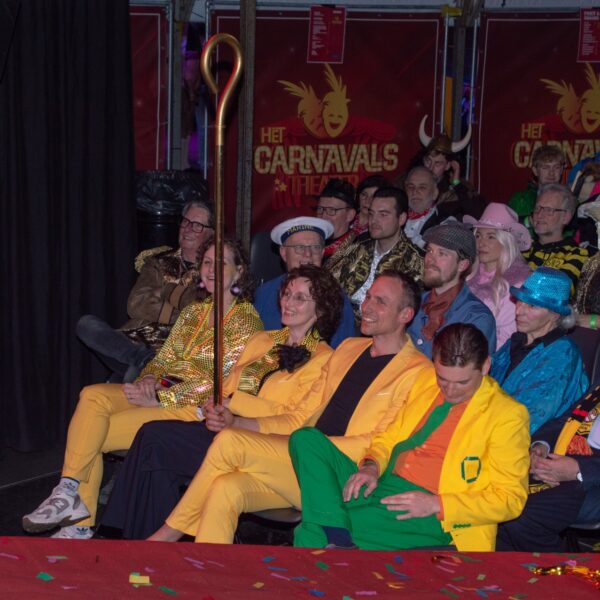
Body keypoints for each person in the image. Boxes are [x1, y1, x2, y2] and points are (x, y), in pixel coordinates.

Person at [145, 271, 431, 544]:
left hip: (341, 471)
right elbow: (301, 416)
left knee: (229, 442)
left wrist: (314, 449)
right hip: (300, 458)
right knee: (226, 487)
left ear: (405, 315)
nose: (367, 306)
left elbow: (386, 439)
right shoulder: (349, 348)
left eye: (380, 301)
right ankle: (206, 569)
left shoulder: (418, 371)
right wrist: (242, 423)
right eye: (368, 297)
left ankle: (165, 537)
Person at [21, 238, 263, 539]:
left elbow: (218, 385)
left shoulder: (246, 321)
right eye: (206, 262)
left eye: (221, 263)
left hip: (191, 410)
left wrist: (163, 398)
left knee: (90, 435)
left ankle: (78, 525)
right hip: (161, 392)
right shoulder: (194, 312)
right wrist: (148, 379)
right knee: (91, 396)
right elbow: (164, 359)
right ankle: (68, 493)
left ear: (239, 272)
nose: (211, 269)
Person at [99, 265, 342, 539]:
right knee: (153, 441)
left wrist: (235, 410)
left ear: (320, 310)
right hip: (223, 427)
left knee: (157, 441)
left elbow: (295, 420)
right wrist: (214, 407)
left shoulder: (325, 359)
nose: (288, 302)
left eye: (300, 298)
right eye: (286, 294)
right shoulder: (262, 341)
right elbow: (224, 389)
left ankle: (122, 535)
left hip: (263, 445)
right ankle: (139, 542)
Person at [289, 323, 530, 551]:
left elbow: (511, 499)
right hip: (383, 481)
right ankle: (337, 534)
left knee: (312, 532)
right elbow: (390, 436)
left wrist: (436, 504)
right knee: (305, 439)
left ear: (485, 367)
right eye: (443, 379)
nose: (450, 390)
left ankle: (335, 534)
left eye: (462, 382)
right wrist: (371, 466)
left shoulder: (507, 414)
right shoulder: (425, 380)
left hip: (430, 510)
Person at [76, 200, 214, 382]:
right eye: (185, 221)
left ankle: (141, 367)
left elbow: (198, 313)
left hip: (173, 349)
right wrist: (177, 305)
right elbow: (135, 304)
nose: (187, 228)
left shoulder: (214, 270)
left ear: (212, 234)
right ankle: (144, 361)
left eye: (197, 225)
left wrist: (165, 291)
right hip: (133, 341)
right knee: (86, 324)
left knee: (125, 380)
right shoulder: (158, 261)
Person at [497, 385, 600, 552]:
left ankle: (564, 566)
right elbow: (566, 421)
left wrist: (579, 469)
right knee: (497, 501)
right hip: (567, 461)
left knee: (520, 516)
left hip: (592, 481)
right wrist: (540, 446)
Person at [490, 267, 589, 433]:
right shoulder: (517, 341)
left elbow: (531, 416)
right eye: (519, 301)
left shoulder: (562, 354)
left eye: (532, 306)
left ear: (555, 314)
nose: (518, 311)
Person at [254, 216, 356, 347]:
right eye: (299, 247)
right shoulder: (263, 294)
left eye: (315, 247)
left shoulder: (336, 298)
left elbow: (343, 351)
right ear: (284, 253)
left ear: (322, 252)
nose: (308, 254)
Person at [327, 187, 423, 324]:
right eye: (371, 214)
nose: (374, 221)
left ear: (401, 218)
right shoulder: (355, 247)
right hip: (339, 322)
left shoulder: (415, 260)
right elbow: (326, 281)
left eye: (383, 215)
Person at [407, 222, 497, 357]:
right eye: (429, 250)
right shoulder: (414, 302)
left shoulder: (476, 317)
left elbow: (469, 368)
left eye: (442, 253)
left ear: (462, 265)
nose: (430, 259)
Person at [464, 203, 532, 349]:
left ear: (506, 242)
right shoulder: (467, 276)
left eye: (491, 237)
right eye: (478, 235)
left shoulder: (517, 285)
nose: (481, 243)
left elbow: (507, 338)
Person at [522, 183, 589, 292]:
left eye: (549, 210)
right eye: (538, 208)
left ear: (566, 217)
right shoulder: (523, 248)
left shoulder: (576, 254)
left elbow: (560, 291)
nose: (539, 215)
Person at [509, 144, 566, 226]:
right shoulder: (520, 200)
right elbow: (506, 226)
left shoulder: (569, 201)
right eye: (545, 167)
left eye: (556, 167)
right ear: (535, 171)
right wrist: (528, 221)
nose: (551, 173)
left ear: (561, 170)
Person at [403, 167, 452, 250]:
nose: (415, 191)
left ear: (435, 193)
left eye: (422, 187)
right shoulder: (395, 219)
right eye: (411, 187)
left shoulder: (445, 224)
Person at [314, 178, 357, 261]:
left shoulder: (356, 252)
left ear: (350, 215)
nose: (323, 216)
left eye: (332, 210)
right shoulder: (309, 246)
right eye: (320, 209)